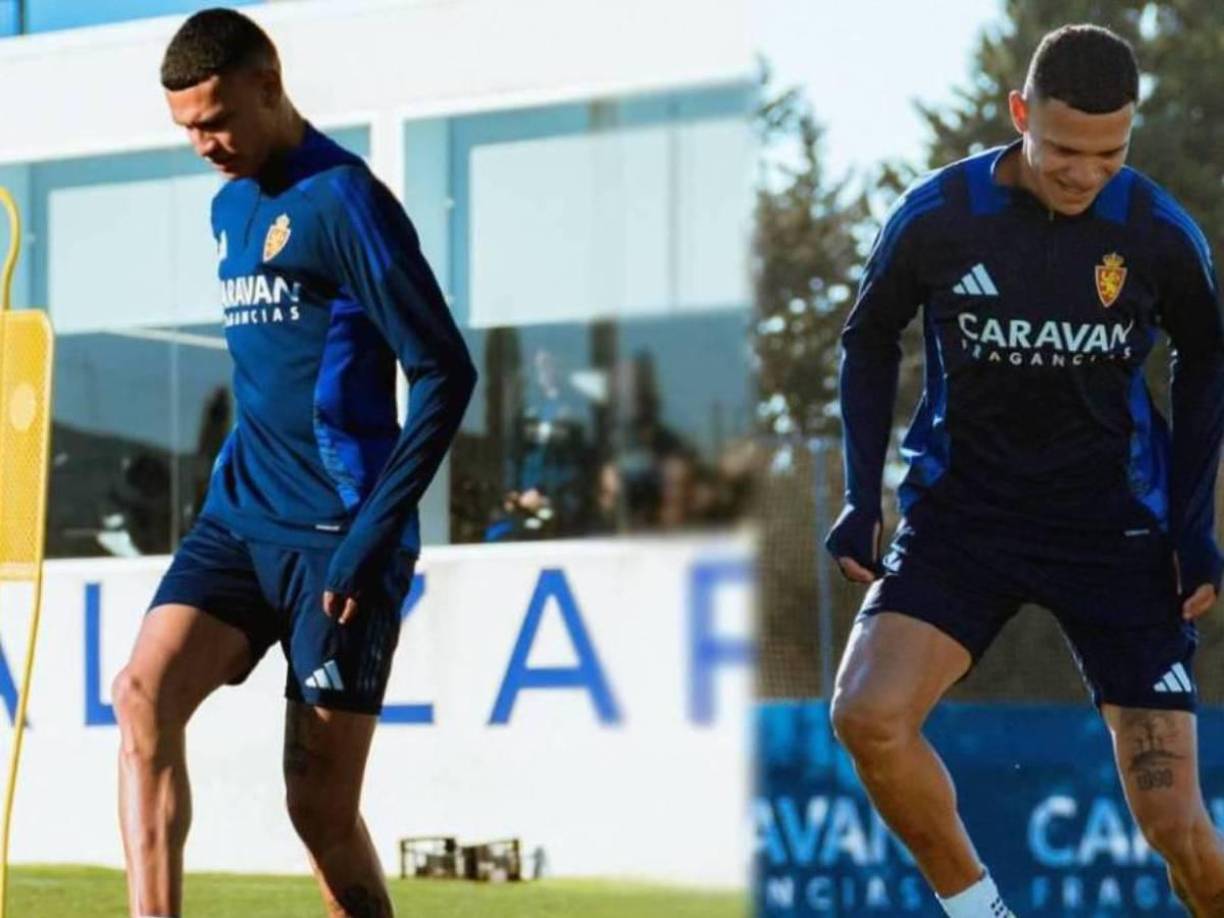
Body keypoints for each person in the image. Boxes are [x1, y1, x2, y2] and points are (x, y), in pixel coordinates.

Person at [826, 24, 1224, 918]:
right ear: (1020, 114)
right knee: (866, 717)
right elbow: (868, 337)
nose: (1085, 174)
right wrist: (859, 497)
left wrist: (1194, 527)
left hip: (1117, 534)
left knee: (1177, 828)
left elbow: (1206, 359)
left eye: (1110, 154)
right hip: (965, 521)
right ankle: (982, 913)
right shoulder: (940, 215)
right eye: (1063, 151)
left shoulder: (1157, 232)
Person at [111, 9, 476, 918]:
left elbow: (445, 371)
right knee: (141, 696)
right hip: (239, 520)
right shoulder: (228, 206)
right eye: (187, 128)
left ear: (269, 84)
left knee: (317, 809)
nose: (203, 145)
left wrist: (370, 539)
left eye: (216, 120)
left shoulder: (345, 200)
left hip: (339, 538)